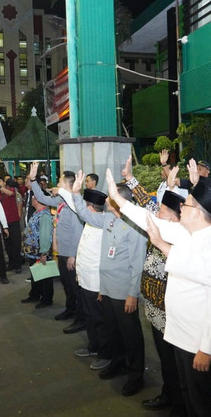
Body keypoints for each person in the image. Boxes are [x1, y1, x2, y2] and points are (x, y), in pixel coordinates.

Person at [110, 167, 211, 417]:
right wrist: (119, 199)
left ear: (198, 213)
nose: (182, 207)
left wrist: (205, 348)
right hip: (179, 332)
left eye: (187, 204)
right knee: (186, 391)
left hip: (196, 341)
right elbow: (148, 219)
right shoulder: (189, 232)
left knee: (202, 401)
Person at [72, 170, 148, 396]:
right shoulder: (108, 220)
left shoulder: (134, 228)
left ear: (120, 202)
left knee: (131, 336)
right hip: (107, 290)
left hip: (124, 293)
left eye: (111, 198)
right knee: (114, 333)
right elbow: (86, 215)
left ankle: (136, 375)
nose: (106, 201)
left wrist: (133, 295)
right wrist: (76, 194)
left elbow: (137, 265)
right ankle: (117, 363)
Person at [120, 156, 185, 413]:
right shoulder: (162, 221)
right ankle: (168, 394)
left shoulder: (181, 236)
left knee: (175, 362)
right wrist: (128, 178)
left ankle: (179, 403)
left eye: (163, 211)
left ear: (177, 217)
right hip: (155, 311)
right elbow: (148, 203)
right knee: (165, 361)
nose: (156, 213)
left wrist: (171, 187)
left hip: (172, 315)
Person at [28, 162, 84, 326]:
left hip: (71, 254)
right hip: (62, 252)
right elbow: (42, 198)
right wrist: (32, 180)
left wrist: (73, 255)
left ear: (67, 184)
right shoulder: (61, 201)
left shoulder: (75, 205)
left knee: (75, 287)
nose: (57, 184)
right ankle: (70, 310)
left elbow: (78, 232)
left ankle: (81, 318)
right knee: (67, 286)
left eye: (59, 182)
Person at [71, 189, 111, 371]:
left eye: (85, 205)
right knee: (89, 316)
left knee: (99, 319)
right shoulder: (90, 222)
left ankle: (105, 354)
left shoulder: (102, 223)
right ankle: (93, 347)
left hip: (96, 282)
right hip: (85, 279)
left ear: (90, 207)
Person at [20, 195, 54, 307]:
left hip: (41, 252)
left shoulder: (44, 215)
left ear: (39, 201)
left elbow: (45, 235)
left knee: (45, 277)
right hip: (34, 252)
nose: (32, 200)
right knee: (36, 274)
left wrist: (44, 253)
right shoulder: (37, 212)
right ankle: (35, 294)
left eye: (34, 198)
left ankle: (46, 299)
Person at [0, 177, 23, 274]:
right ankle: (11, 263)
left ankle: (18, 264)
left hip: (14, 222)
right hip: (5, 224)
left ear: (5, 184)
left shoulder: (12, 190)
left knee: (16, 244)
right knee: (8, 245)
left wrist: (0, 186)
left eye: (0, 181)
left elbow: (11, 194)